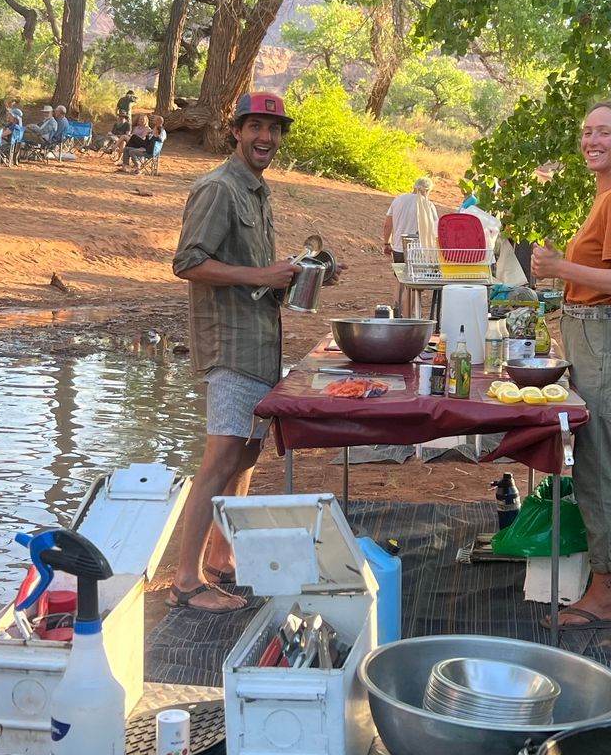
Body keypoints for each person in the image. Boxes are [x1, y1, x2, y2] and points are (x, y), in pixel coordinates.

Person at [168, 93, 343, 611]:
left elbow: (251, 271)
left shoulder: (256, 189)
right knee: (221, 456)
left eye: (275, 129)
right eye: (257, 127)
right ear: (237, 130)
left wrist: (299, 273)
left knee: (246, 452)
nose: (267, 137)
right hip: (229, 344)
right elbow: (188, 262)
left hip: (260, 341)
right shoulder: (218, 187)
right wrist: (261, 275)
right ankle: (185, 581)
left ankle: (222, 559)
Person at [528, 101, 611, 629]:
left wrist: (562, 266)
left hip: (604, 335)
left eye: (603, 132)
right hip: (597, 333)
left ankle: (605, 590)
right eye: (586, 132)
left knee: (599, 463)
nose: (591, 139)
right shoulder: (607, 196)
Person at [382, 177, 439, 264]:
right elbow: (435, 230)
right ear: (427, 191)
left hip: (399, 248)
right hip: (419, 250)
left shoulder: (398, 200)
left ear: (414, 187)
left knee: (401, 275)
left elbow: (388, 225)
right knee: (416, 276)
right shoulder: (428, 205)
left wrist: (387, 243)